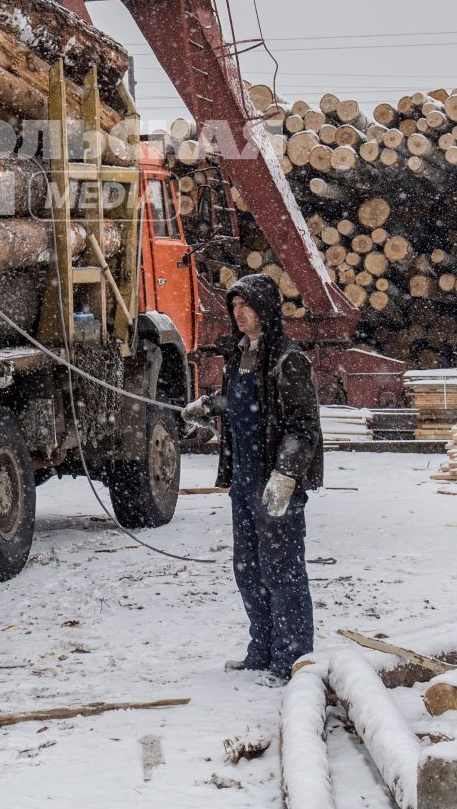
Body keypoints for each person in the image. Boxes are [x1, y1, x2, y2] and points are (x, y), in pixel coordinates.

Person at [182, 272, 324, 681]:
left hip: (275, 483)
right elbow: (244, 399)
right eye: (234, 306)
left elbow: (303, 427)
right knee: (248, 569)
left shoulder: (288, 358)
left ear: (265, 309)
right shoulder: (242, 353)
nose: (239, 313)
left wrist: (286, 475)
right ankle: (261, 648)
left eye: (246, 305)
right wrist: (207, 406)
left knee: (282, 570)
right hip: (244, 481)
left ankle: (292, 656)